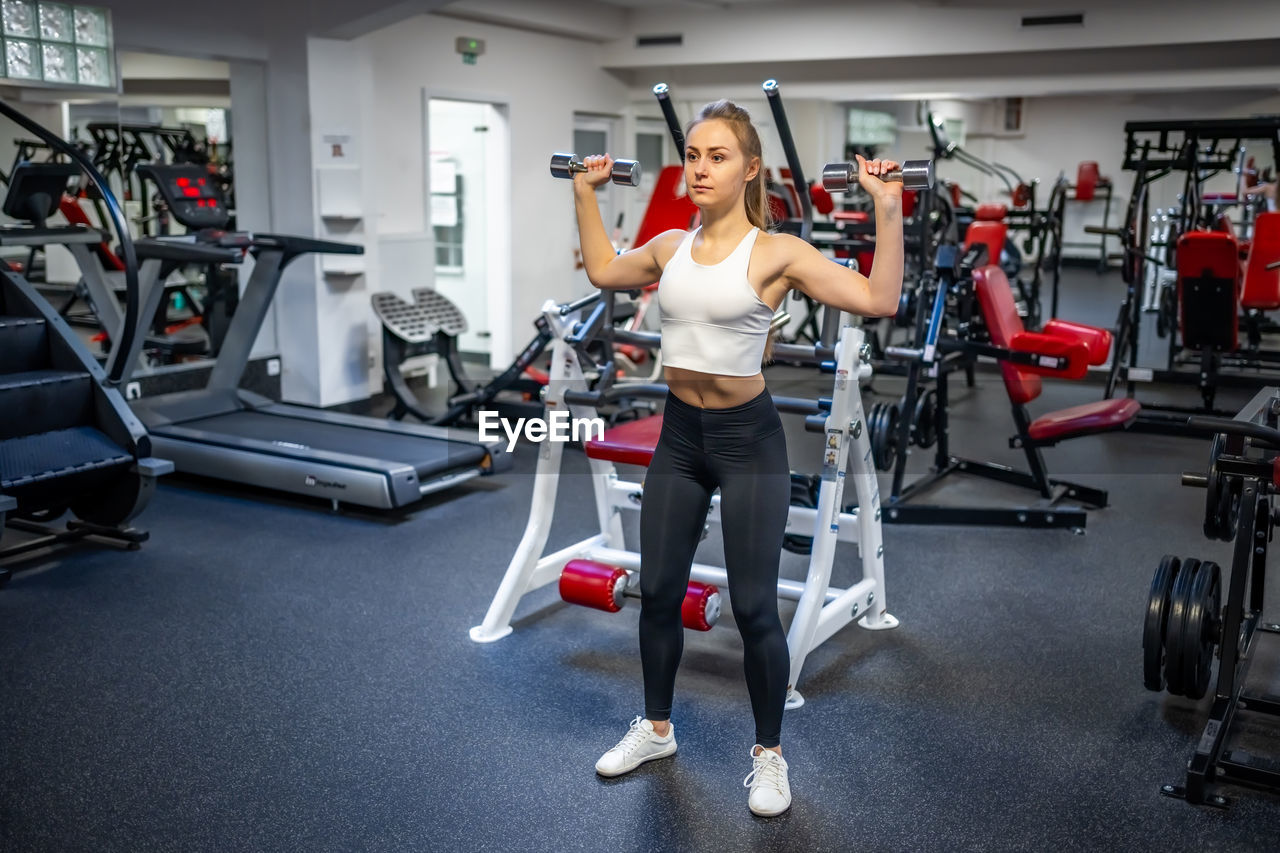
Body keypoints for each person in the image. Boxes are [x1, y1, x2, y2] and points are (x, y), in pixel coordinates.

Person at [570, 99, 904, 817]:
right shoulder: (668, 247)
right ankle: (656, 728)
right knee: (658, 590)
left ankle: (769, 755)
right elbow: (601, 269)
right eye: (692, 155)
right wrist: (584, 190)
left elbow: (879, 298)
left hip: (748, 441)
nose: (699, 168)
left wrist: (888, 205)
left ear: (750, 168)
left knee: (754, 607)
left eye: (716, 156)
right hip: (681, 439)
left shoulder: (777, 251)